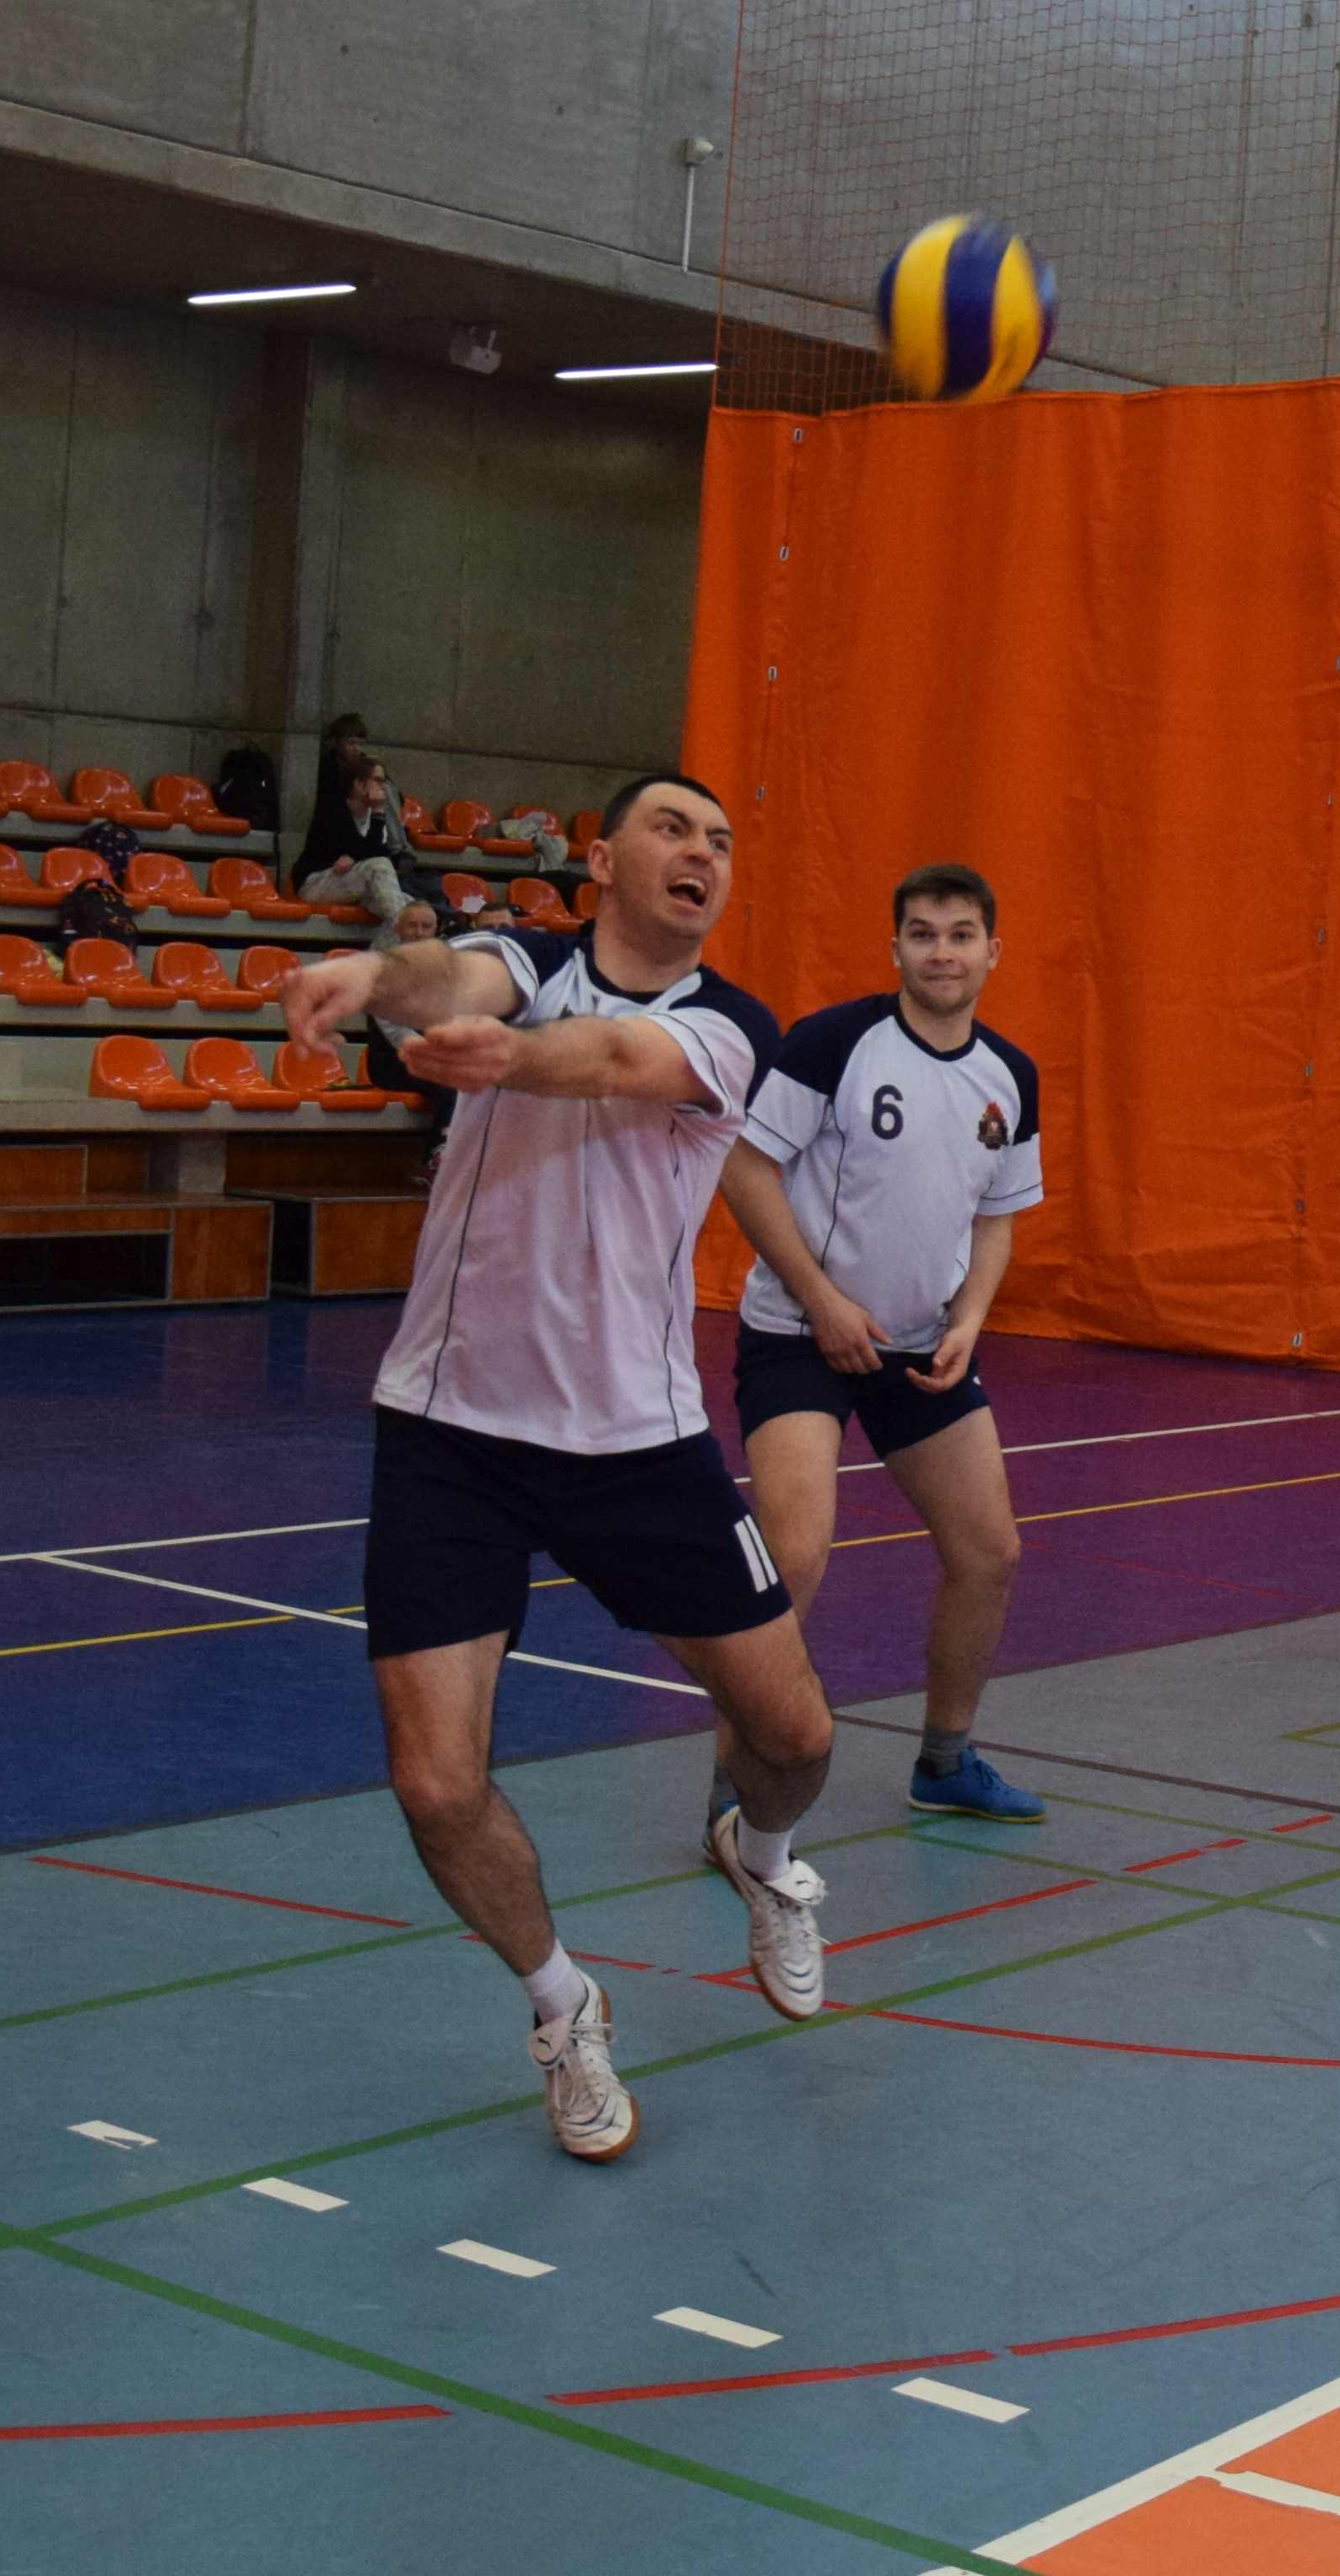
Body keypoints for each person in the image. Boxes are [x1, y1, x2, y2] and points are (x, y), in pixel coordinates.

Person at [273, 770, 824, 2167]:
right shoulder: (522, 966)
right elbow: (452, 975)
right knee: (435, 1784)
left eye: (721, 840)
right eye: (672, 828)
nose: (702, 852)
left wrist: (506, 1062)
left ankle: (761, 1859)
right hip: (448, 1431)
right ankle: (562, 2006)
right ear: (603, 860)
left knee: (797, 1739)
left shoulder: (731, 1027)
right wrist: (369, 975)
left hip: (637, 1441)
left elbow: (623, 1064)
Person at [717, 860, 1048, 1825]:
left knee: (989, 1552)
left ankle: (945, 1761)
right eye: (922, 934)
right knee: (795, 1554)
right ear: (894, 946)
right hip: (799, 1335)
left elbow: (997, 1215)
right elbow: (744, 1169)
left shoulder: (1010, 1076)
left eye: (960, 935)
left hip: (920, 1347)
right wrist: (821, 1300)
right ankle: (733, 1796)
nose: (942, 952)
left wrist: (971, 1318)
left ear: (993, 950)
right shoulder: (835, 1042)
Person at [296, 744, 414, 918]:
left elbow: (377, 852)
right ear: (358, 783)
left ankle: (397, 934)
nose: (383, 787)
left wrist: (355, 856)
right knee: (379, 866)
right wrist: (378, 813)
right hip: (316, 884)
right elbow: (359, 855)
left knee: (411, 905)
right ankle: (405, 932)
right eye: (378, 780)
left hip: (356, 882)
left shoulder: (376, 815)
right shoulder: (333, 810)